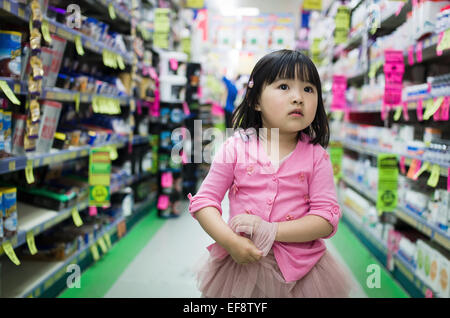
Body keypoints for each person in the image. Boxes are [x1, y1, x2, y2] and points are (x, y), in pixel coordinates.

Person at [187, 49, 354, 298]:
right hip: (242, 266)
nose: (298, 97)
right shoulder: (235, 148)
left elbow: (325, 218)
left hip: (304, 272)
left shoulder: (316, 156)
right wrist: (230, 242)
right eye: (284, 86)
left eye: (308, 89)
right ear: (256, 100)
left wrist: (271, 230)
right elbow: (204, 202)